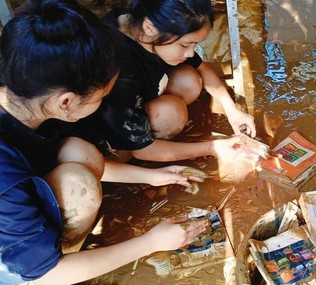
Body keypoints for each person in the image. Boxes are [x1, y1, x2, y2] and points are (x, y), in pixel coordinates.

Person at [0, 1, 209, 285]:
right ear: (66, 102)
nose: (105, 102)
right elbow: (48, 273)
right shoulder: (7, 182)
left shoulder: (26, 99)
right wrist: (150, 243)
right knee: (75, 189)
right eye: (101, 97)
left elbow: (64, 154)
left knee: (77, 151)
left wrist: (155, 175)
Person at [43, 0, 257, 164]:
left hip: (134, 100)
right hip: (107, 137)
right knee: (171, 114)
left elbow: (202, 68)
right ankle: (124, 155)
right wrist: (213, 148)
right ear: (149, 28)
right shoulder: (119, 69)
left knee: (189, 79)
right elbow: (142, 149)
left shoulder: (144, 25)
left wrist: (232, 110)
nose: (191, 52)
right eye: (185, 45)